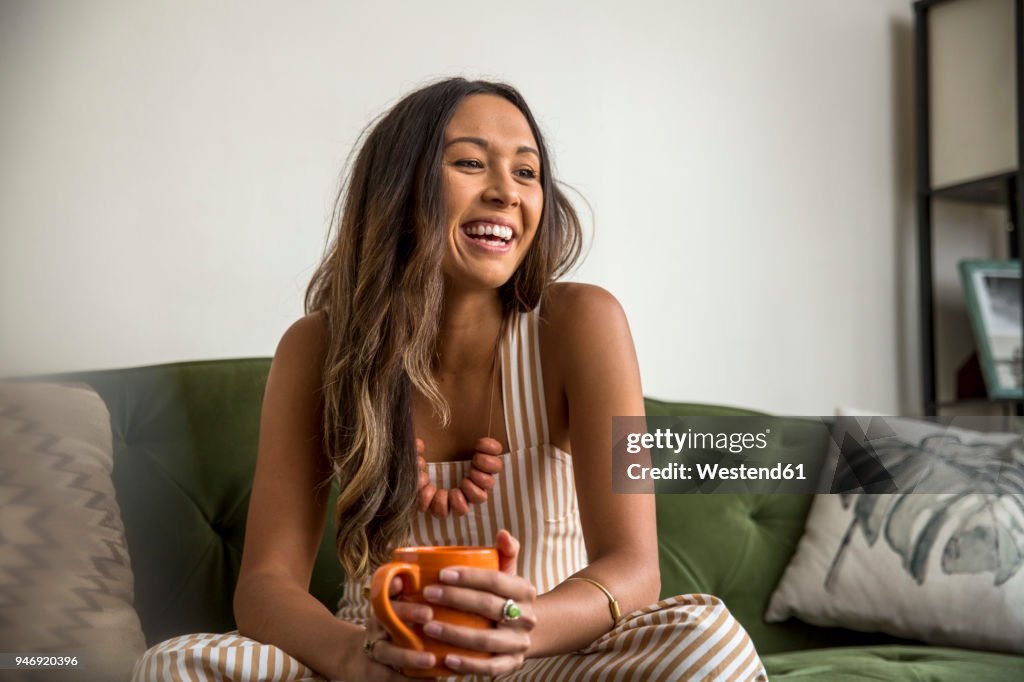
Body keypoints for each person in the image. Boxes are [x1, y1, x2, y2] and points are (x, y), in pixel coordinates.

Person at [132, 78, 767, 681]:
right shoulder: (316, 350)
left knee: (706, 639)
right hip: (380, 661)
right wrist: (356, 657)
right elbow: (265, 585)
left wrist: (520, 623)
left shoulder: (585, 322)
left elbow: (634, 569)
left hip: (542, 655)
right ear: (398, 188)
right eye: (470, 164)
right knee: (174, 665)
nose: (506, 192)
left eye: (526, 172)